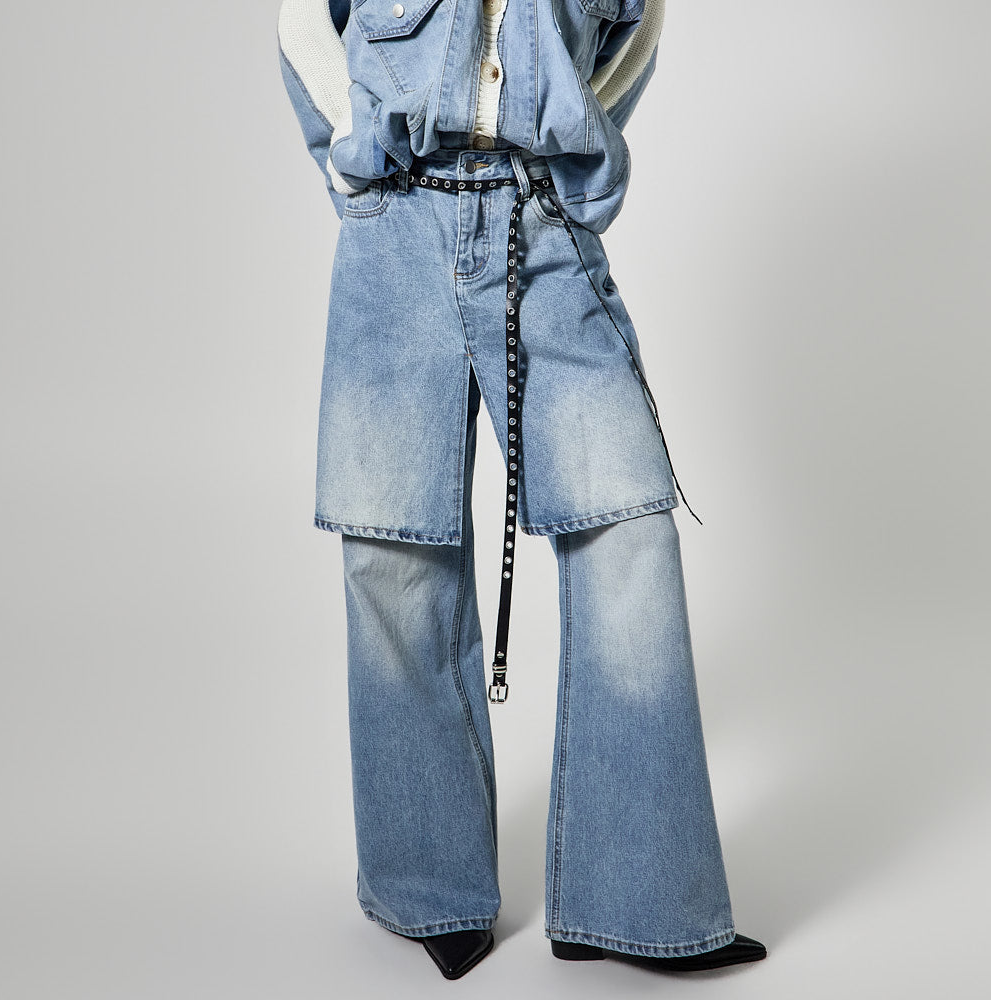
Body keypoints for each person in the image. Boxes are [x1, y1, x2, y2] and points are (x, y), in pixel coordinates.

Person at [276, 0, 767, 980]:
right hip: (395, 223)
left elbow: (637, 31)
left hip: (539, 224)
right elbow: (302, 25)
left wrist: (570, 139)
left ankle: (632, 897)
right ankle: (429, 889)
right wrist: (356, 155)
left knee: (627, 525)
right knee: (394, 554)